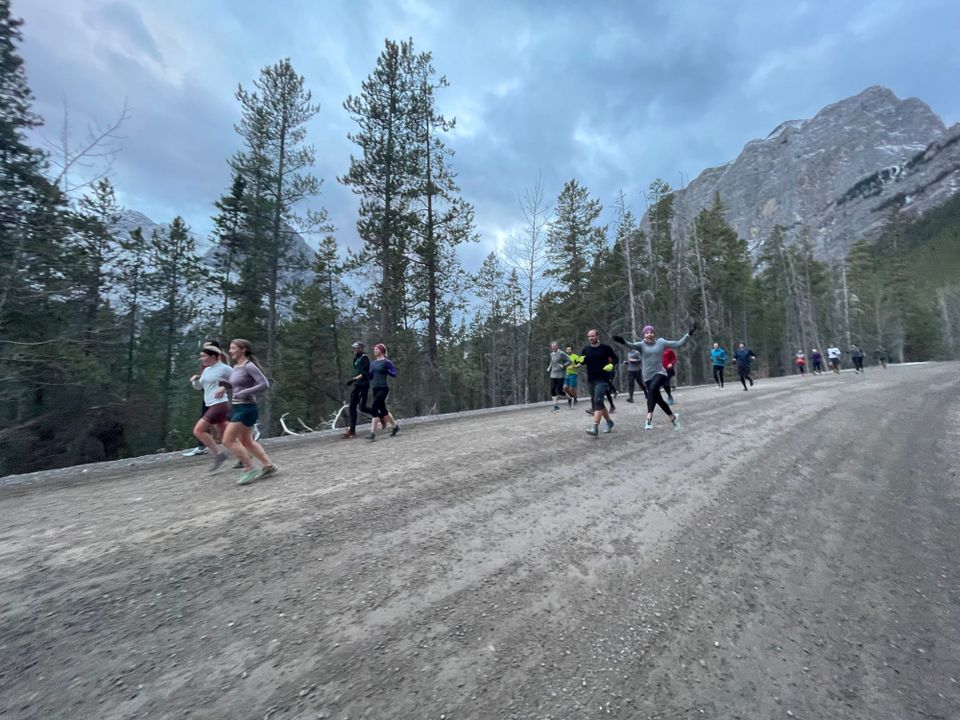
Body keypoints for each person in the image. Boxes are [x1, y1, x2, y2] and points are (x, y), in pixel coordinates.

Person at [215, 339, 278, 486]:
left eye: (233, 348)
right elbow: (236, 385)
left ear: (242, 349)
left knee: (228, 440)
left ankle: (249, 468)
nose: (230, 351)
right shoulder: (237, 366)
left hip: (246, 408)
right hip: (239, 407)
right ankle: (268, 466)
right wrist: (224, 387)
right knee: (247, 441)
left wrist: (245, 392)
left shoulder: (249, 366)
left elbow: (264, 384)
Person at [613, 323, 695, 430]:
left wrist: (689, 334)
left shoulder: (661, 342)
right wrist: (622, 341)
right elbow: (629, 345)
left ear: (654, 333)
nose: (649, 334)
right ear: (644, 335)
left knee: (651, 389)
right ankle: (673, 417)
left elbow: (678, 344)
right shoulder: (641, 345)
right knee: (658, 399)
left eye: (651, 332)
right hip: (647, 376)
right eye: (647, 333)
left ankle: (648, 419)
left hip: (660, 372)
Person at [189, 344, 233, 471]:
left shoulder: (224, 368)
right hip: (210, 404)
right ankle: (245, 454)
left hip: (220, 404)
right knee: (227, 436)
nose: (201, 359)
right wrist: (195, 380)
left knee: (198, 430)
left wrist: (224, 386)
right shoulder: (207, 370)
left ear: (213, 356)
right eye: (201, 356)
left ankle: (219, 455)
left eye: (204, 356)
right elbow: (199, 387)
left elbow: (238, 379)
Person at [183, 339, 226, 457]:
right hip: (209, 395)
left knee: (220, 422)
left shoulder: (220, 361)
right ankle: (203, 446)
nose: (203, 352)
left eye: (207, 348)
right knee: (220, 423)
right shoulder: (206, 363)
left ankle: (248, 431)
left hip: (219, 397)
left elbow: (230, 377)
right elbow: (206, 377)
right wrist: (198, 379)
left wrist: (223, 387)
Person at [579, 329, 617, 437]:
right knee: (599, 403)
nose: (591, 338)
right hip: (591, 379)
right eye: (589, 337)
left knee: (597, 401)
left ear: (597, 336)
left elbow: (615, 358)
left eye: (592, 336)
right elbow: (582, 362)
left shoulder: (605, 348)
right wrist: (577, 362)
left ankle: (595, 427)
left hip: (603, 379)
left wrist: (612, 365)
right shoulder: (586, 350)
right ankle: (609, 422)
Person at [367, 342, 400, 440]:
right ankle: (395, 426)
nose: (375, 351)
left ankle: (372, 432)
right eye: (374, 349)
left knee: (374, 407)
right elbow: (371, 377)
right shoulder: (372, 363)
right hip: (375, 388)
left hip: (383, 388)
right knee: (383, 410)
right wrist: (367, 373)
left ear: (381, 350)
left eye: (376, 349)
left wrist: (388, 371)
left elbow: (394, 374)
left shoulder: (387, 362)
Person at [343, 341, 372, 438]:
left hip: (363, 384)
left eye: (356, 348)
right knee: (353, 407)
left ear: (361, 348)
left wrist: (353, 379)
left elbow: (364, 373)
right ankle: (352, 430)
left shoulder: (365, 358)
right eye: (354, 348)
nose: (354, 349)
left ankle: (380, 416)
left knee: (362, 407)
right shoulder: (357, 358)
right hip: (358, 384)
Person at [547, 342, 570, 411]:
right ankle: (556, 406)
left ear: (557, 346)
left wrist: (564, 365)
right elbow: (552, 361)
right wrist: (549, 367)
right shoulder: (551, 354)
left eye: (555, 346)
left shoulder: (561, 353)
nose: (553, 348)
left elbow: (569, 360)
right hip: (553, 373)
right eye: (552, 346)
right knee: (552, 389)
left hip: (561, 374)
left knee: (559, 391)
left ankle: (569, 397)